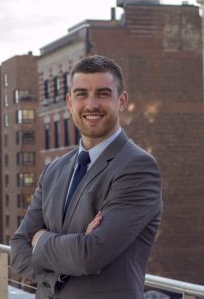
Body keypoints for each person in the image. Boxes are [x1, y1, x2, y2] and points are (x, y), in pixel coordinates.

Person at [10, 55, 162, 299]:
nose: (91, 104)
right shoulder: (54, 170)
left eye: (102, 93)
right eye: (81, 94)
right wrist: (60, 267)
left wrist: (41, 239)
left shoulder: (137, 167)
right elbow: (18, 250)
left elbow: (89, 255)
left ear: (121, 101)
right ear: (70, 102)